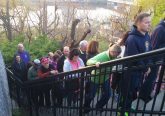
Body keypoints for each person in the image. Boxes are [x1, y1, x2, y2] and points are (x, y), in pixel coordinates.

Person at [119, 13, 152, 113]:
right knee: (127, 93)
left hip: (140, 72)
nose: (149, 24)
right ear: (138, 23)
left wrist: (149, 65)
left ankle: (127, 109)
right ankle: (124, 111)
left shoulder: (147, 36)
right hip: (131, 73)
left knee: (134, 93)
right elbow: (135, 59)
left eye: (149, 22)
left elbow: (150, 51)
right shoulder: (132, 39)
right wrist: (146, 68)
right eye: (146, 22)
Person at [83, 43, 121, 113]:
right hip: (95, 78)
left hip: (105, 77)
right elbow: (88, 61)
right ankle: (86, 107)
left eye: (118, 54)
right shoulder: (103, 56)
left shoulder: (115, 56)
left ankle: (99, 106)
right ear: (112, 52)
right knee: (91, 95)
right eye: (117, 53)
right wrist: (96, 62)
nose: (117, 55)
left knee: (107, 94)